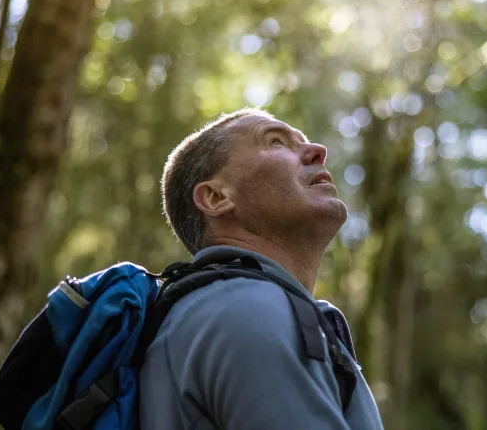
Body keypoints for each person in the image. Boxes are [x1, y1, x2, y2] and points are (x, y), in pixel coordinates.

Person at [139, 108, 384, 430]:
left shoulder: (228, 306)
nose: (318, 151)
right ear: (215, 197)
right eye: (276, 142)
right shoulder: (247, 308)